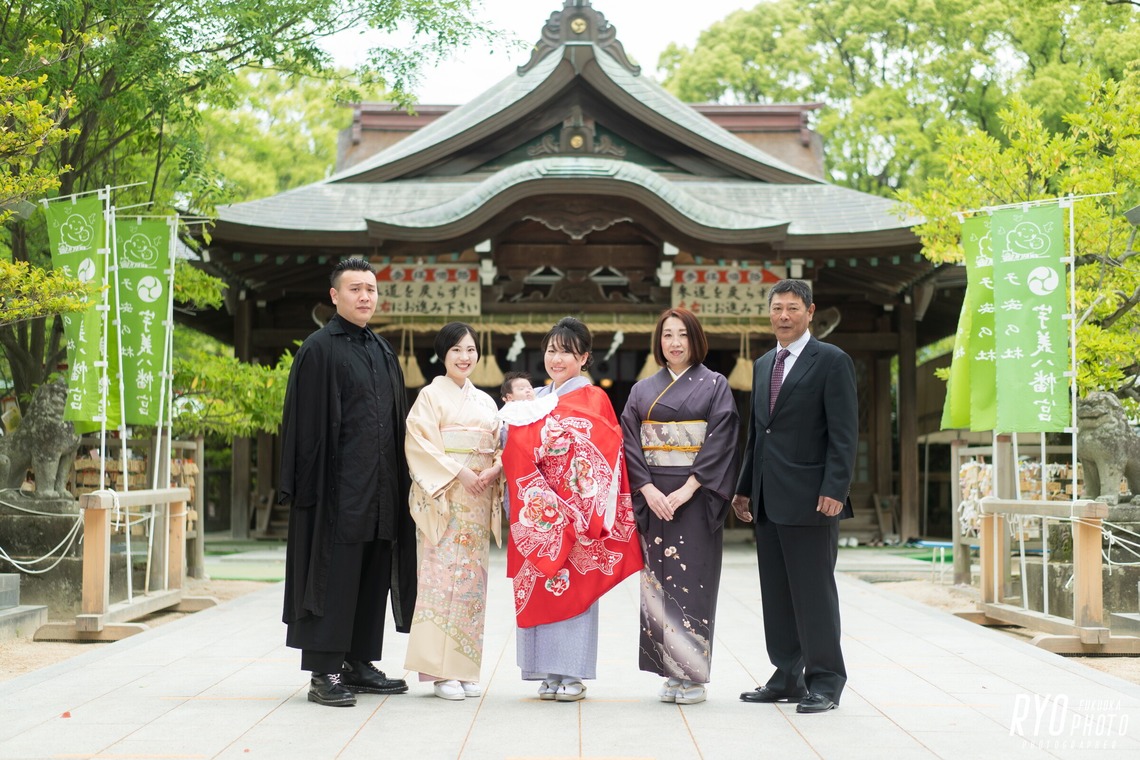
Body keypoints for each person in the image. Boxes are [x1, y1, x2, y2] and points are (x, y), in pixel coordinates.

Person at [279, 257, 415, 708]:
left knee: (373, 574)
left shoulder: (381, 351)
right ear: (335, 296)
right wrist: (303, 489)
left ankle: (358, 662)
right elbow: (303, 427)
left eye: (371, 289)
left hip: (381, 488)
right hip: (335, 492)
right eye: (355, 289)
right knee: (332, 576)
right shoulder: (319, 349)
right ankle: (323, 670)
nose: (365, 297)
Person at [732, 279, 858, 714]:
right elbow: (757, 435)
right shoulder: (765, 362)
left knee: (813, 594)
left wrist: (835, 489)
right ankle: (787, 675)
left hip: (812, 498)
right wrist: (746, 488)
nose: (783, 316)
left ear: (809, 312)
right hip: (768, 498)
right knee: (778, 594)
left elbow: (844, 433)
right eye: (777, 308)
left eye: (792, 308)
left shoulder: (832, 361)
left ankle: (825, 681)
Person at [500, 317, 642, 702]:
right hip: (537, 512)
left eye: (565, 351)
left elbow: (601, 448)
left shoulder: (593, 398)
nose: (556, 358)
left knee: (572, 588)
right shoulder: (538, 398)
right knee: (541, 587)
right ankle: (546, 671)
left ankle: (573, 673)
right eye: (550, 350)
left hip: (575, 513)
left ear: (583, 357)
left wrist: (561, 490)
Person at [620, 308, 739, 705]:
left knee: (693, 583)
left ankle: (693, 676)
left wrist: (689, 488)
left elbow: (722, 439)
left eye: (683, 335)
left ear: (695, 341)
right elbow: (630, 445)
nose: (674, 343)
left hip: (695, 495)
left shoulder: (715, 385)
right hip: (654, 498)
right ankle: (669, 670)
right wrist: (647, 490)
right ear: (659, 341)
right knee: (657, 583)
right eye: (667, 335)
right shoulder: (641, 391)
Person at [404, 323, 503, 701]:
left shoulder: (486, 402)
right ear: (443, 354)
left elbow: (498, 445)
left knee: (471, 585)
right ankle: (439, 672)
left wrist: (494, 467)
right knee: (439, 581)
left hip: (477, 499)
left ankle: (464, 669)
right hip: (445, 498)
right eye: (457, 350)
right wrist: (459, 471)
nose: (465, 357)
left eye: (471, 350)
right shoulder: (430, 396)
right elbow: (419, 445)